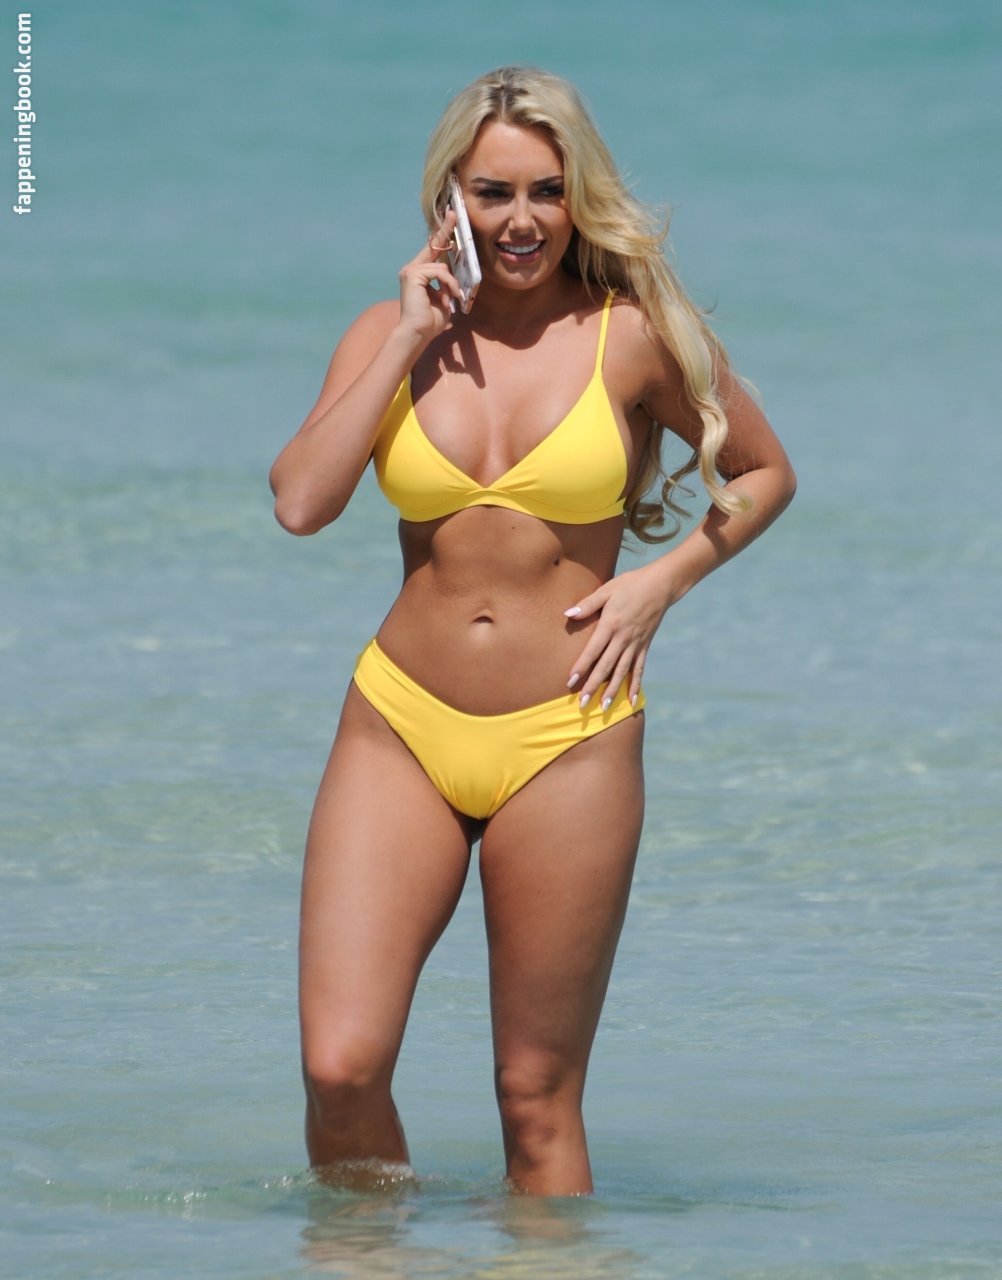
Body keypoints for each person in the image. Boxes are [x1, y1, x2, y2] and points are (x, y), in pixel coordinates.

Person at [269, 65, 796, 1197]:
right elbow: (302, 503)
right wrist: (406, 337)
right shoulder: (388, 333)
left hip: (572, 735)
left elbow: (763, 471)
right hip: (399, 725)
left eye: (547, 192)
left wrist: (662, 582)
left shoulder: (632, 336)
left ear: (578, 198)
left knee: (535, 1093)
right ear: (449, 199)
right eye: (493, 192)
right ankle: (366, 1263)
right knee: (339, 1065)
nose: (522, 220)